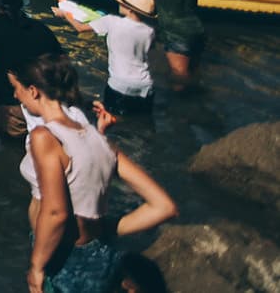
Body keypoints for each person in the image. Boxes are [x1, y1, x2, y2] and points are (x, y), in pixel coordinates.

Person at [10, 52, 177, 293]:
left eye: (17, 88)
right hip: (100, 256)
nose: (16, 96)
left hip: (64, 258)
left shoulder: (45, 137)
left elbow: (56, 212)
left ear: (33, 91)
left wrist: (36, 266)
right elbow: (164, 206)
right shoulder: (99, 141)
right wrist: (107, 228)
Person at [105, 0, 203, 93]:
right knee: (192, 71)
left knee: (179, 75)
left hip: (176, 33)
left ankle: (183, 110)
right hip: (197, 29)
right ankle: (195, 95)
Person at [0, 0, 62, 141]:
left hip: (11, 100)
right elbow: (61, 62)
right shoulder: (41, 29)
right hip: (44, 102)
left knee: (12, 151)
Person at [64, 0, 156, 129]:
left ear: (130, 9)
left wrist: (65, 14)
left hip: (120, 84)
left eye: (122, 3)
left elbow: (80, 28)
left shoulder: (111, 21)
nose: (118, 4)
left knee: (111, 122)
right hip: (145, 84)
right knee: (142, 121)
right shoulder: (150, 31)